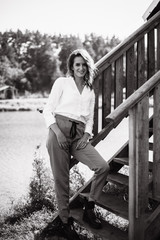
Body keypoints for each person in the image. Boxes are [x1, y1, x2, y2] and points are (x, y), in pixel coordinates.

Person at [43, 49, 110, 239]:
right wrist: (58, 132)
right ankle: (65, 222)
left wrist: (87, 135)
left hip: (79, 136)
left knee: (102, 167)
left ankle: (89, 208)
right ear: (72, 67)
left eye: (83, 64)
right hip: (58, 132)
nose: (80, 67)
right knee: (62, 181)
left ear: (87, 66)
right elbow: (48, 110)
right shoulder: (62, 83)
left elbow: (89, 118)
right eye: (77, 64)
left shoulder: (90, 90)